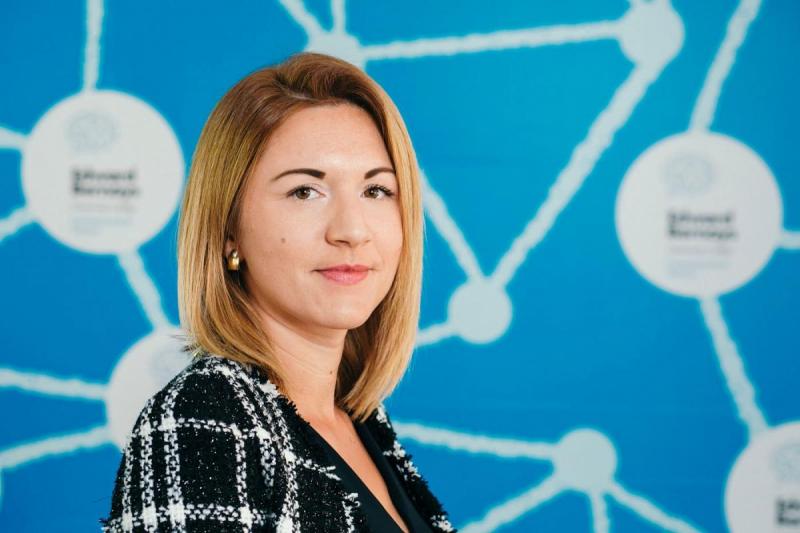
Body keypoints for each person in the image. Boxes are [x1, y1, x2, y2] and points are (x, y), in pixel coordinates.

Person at [99, 51, 456, 533]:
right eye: (305, 192)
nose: (352, 231)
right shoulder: (202, 422)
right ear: (229, 230)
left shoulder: (361, 422)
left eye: (376, 191)